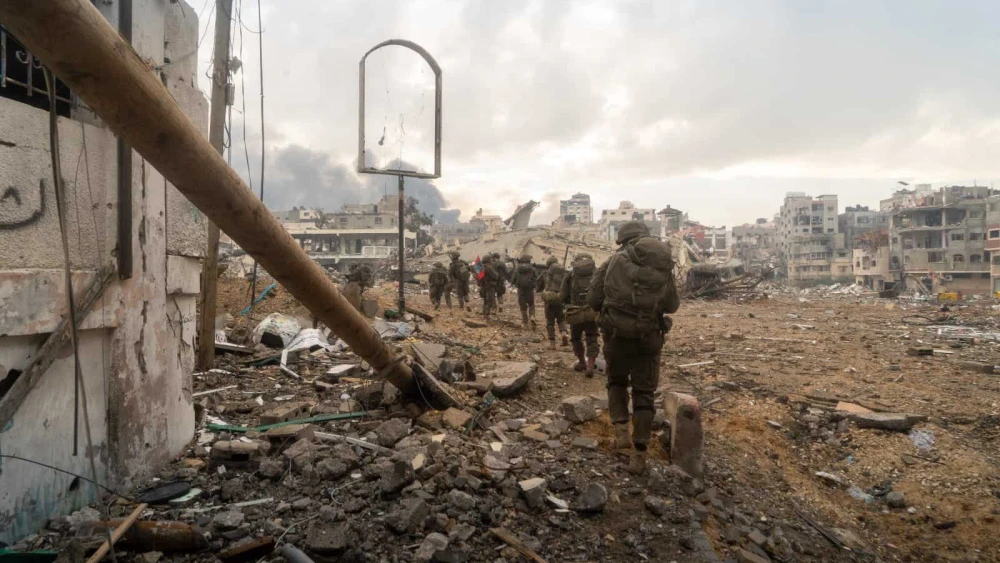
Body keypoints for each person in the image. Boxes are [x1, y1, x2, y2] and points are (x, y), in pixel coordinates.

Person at [588, 221, 680, 475]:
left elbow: (593, 298)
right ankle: (639, 456)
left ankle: (620, 433)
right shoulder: (661, 267)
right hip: (649, 339)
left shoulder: (613, 262)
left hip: (616, 336)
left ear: (622, 240)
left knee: (616, 383)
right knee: (644, 392)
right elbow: (672, 305)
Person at [561, 253, 599, 377]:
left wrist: (568, 304)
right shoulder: (597, 273)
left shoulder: (570, 275)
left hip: (575, 311)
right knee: (592, 336)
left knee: (576, 338)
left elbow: (562, 296)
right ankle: (590, 365)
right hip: (591, 311)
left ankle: (582, 362)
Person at [538, 256, 569, 350]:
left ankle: (552, 343)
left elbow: (539, 285)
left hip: (549, 300)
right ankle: (564, 334)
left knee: (550, 322)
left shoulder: (545, 273)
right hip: (560, 299)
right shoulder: (564, 273)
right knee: (561, 319)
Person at [513, 254, 538, 328]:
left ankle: (524, 323)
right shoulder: (533, 269)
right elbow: (536, 278)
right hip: (530, 289)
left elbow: (513, 279)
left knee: (523, 306)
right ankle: (532, 316)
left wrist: (517, 285)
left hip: (520, 289)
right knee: (531, 304)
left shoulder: (517, 269)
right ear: (529, 260)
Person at [479, 254, 499, 322]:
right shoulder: (489, 267)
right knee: (489, 301)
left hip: (483, 287)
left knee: (485, 301)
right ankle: (486, 317)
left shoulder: (481, 268)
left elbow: (479, 279)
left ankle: (484, 315)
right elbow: (495, 276)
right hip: (489, 287)